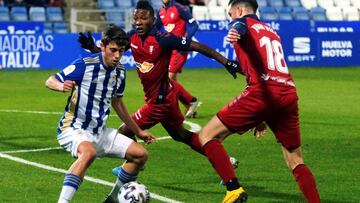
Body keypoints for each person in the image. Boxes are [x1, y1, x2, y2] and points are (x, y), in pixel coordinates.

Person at [78, 1, 242, 199]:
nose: (138, 22)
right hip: (167, 98)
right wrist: (93, 48)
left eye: (143, 18)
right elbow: (113, 52)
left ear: (153, 20)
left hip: (159, 103)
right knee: (181, 135)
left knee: (124, 131)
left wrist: (226, 62)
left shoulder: (164, 39)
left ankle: (134, 165)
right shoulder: (132, 38)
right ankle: (225, 161)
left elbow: (197, 46)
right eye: (136, 18)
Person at [198, 0, 321, 202]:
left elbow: (240, 25)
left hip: (262, 93)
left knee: (207, 136)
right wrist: (261, 117)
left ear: (238, 10)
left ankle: (233, 190)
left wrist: (234, 30)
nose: (231, 18)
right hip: (288, 92)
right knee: (295, 158)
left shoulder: (241, 23)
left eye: (231, 14)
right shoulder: (272, 31)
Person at [45, 25, 156, 203]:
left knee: (140, 154)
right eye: (113, 50)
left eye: (121, 51)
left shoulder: (119, 71)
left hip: (100, 132)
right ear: (102, 46)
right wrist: (60, 86)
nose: (118, 56)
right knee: (88, 153)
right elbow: (50, 80)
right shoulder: (85, 65)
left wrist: (138, 132)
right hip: (73, 128)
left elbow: (117, 103)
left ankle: (112, 200)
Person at [157, 0, 201, 118]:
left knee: (168, 79)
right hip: (168, 49)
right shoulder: (160, 11)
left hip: (179, 50)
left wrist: (185, 39)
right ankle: (189, 105)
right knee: (173, 82)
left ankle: (189, 101)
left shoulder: (180, 8)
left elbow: (194, 25)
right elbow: (156, 28)